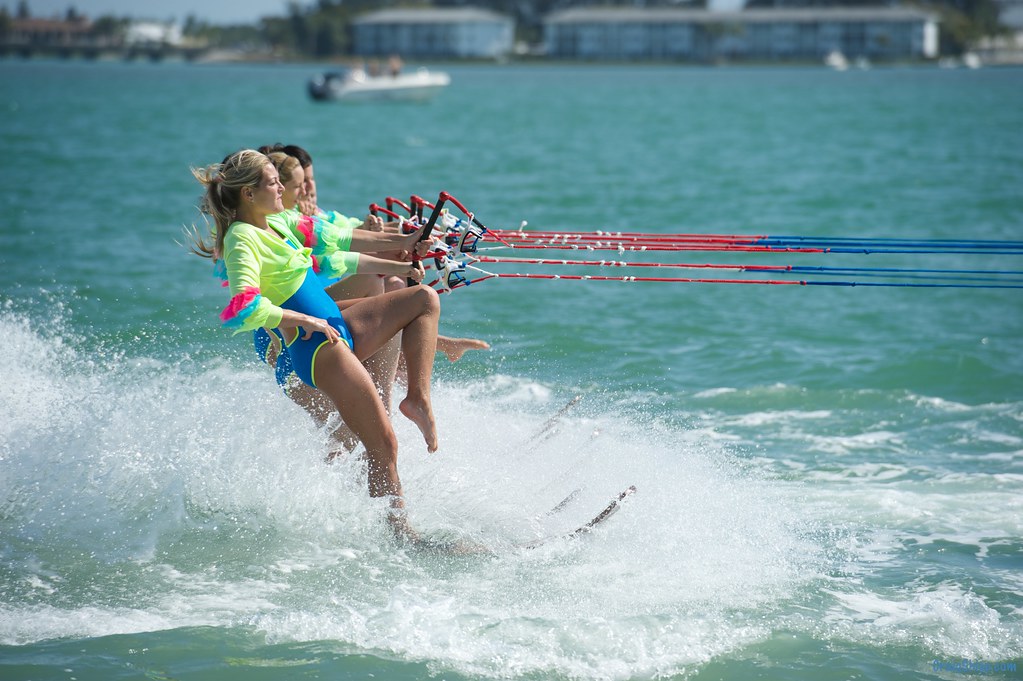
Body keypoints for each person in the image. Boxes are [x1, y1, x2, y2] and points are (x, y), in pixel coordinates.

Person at [189, 149, 441, 543]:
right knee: (382, 443)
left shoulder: (283, 222)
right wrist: (302, 320)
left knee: (423, 299)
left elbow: (342, 237)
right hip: (318, 349)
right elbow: (245, 305)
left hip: (337, 329)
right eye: (272, 182)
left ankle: (418, 398)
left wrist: (404, 249)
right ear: (249, 195)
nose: (282, 188)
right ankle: (401, 537)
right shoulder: (242, 239)